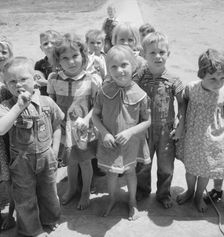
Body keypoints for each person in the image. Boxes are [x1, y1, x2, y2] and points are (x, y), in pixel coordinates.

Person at [0, 57, 64, 237]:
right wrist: (19, 107)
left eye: (23, 79)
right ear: (5, 84)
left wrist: (55, 149)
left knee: (49, 192)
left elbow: (58, 124)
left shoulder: (46, 102)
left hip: (46, 156)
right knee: (25, 197)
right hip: (21, 162)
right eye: (12, 81)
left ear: (35, 80)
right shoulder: (6, 106)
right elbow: (2, 128)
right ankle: (32, 230)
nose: (18, 84)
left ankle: (49, 219)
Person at [92, 45, 151, 220]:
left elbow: (147, 121)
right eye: (114, 67)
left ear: (133, 65)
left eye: (124, 65)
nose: (119, 70)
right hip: (109, 142)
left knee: (130, 172)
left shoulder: (140, 94)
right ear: (108, 69)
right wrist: (105, 133)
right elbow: (95, 116)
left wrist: (130, 132)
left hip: (130, 144)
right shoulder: (103, 91)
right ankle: (112, 199)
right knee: (111, 173)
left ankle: (132, 202)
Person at [47, 33, 102, 210]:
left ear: (83, 56)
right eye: (65, 58)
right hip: (63, 130)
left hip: (84, 129)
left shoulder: (91, 79)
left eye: (75, 56)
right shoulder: (53, 79)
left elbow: (97, 106)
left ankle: (85, 191)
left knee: (85, 162)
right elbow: (51, 103)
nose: (71, 62)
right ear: (58, 60)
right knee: (70, 161)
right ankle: (71, 188)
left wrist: (86, 120)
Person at [136, 32, 184, 208]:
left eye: (162, 52)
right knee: (142, 163)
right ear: (144, 54)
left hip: (166, 130)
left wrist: (180, 124)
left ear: (168, 54)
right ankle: (142, 190)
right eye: (152, 53)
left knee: (165, 166)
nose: (158, 56)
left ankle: (163, 194)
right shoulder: (139, 77)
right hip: (144, 129)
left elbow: (182, 104)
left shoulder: (174, 80)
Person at [176, 49, 224, 212]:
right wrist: (180, 123)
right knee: (190, 169)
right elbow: (183, 102)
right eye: (212, 78)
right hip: (193, 136)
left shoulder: (222, 93)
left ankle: (198, 195)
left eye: (222, 78)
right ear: (201, 74)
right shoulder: (192, 88)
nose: (218, 83)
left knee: (205, 171)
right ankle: (190, 191)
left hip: (213, 138)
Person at [0, 36, 16, 232]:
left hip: (8, 138)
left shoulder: (12, 76)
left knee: (10, 177)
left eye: (4, 51)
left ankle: (11, 213)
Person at [35, 30, 61, 95]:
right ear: (41, 48)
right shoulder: (39, 65)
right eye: (45, 44)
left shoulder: (64, 62)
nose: (49, 46)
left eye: (53, 43)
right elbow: (39, 80)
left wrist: (46, 82)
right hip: (46, 99)